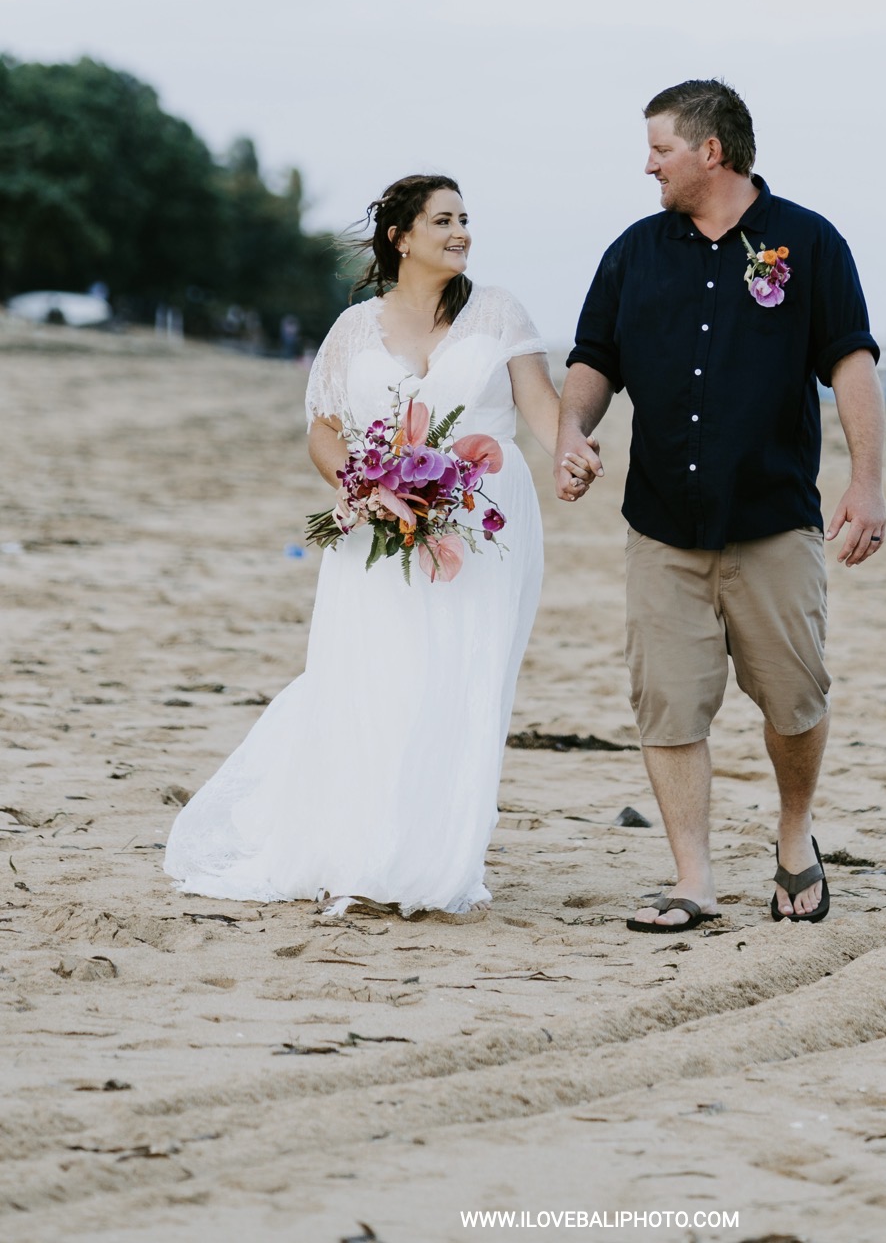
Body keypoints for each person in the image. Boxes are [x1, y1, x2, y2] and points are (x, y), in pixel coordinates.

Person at [165, 175, 595, 913]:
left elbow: (540, 406)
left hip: (483, 523)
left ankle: (432, 861)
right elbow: (324, 431)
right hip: (376, 528)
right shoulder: (354, 328)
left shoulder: (497, 312)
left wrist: (572, 450)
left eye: (464, 219)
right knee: (375, 679)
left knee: (461, 681)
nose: (460, 232)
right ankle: (360, 851)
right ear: (401, 237)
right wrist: (365, 488)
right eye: (443, 220)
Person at [555, 80, 886, 931]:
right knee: (668, 704)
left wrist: (866, 482)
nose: (648, 165)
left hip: (774, 519)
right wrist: (571, 429)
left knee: (796, 700)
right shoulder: (634, 252)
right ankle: (693, 879)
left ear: (711, 151)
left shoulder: (809, 242)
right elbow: (594, 359)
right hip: (662, 525)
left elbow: (851, 362)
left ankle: (794, 835)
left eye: (660, 147)